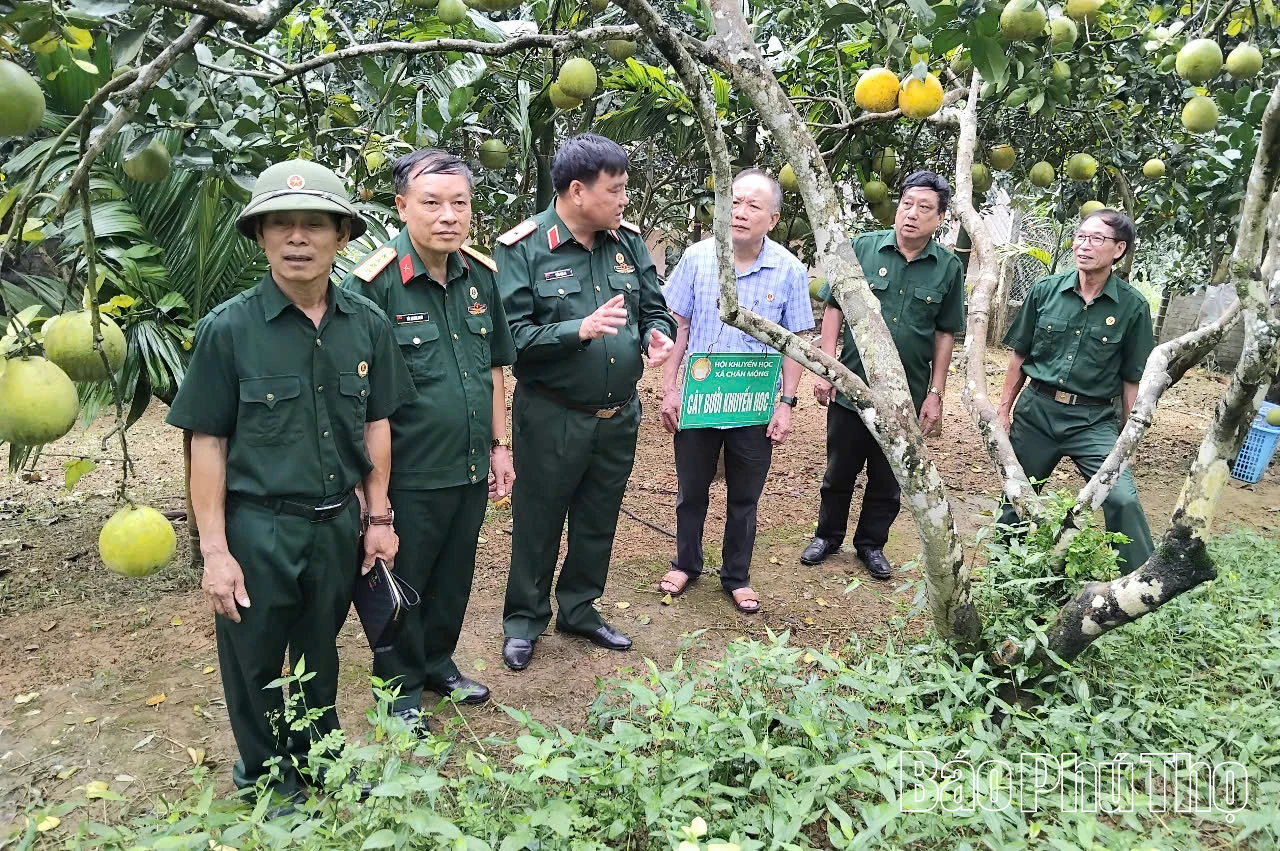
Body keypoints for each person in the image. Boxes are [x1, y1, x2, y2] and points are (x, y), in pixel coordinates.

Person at [165, 160, 414, 804]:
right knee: (253, 659)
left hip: (336, 525)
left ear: (341, 235)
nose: (297, 238)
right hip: (259, 528)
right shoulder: (228, 330)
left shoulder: (367, 325)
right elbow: (208, 444)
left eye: (314, 225)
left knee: (318, 653)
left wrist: (379, 517)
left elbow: (377, 424)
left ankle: (320, 759)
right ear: (260, 235)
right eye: (281, 224)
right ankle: (266, 778)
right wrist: (215, 551)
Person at [342, 149, 517, 730]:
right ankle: (398, 689)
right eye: (432, 203)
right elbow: (357, 398)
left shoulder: (480, 277)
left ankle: (438, 663)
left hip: (467, 465)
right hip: (408, 474)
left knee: (453, 577)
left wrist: (499, 446)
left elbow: (494, 369)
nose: (448, 216)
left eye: (459, 203)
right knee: (403, 583)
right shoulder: (374, 286)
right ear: (401, 207)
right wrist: (371, 495)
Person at [495, 133, 676, 672]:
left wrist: (657, 335)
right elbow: (511, 338)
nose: (624, 199)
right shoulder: (524, 248)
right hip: (552, 414)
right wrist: (578, 329)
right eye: (614, 189)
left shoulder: (628, 243)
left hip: (617, 415)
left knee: (598, 518)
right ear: (577, 191)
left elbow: (654, 308)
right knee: (539, 520)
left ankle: (579, 609)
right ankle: (524, 620)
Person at [656, 169, 814, 613]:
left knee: (745, 497)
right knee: (691, 491)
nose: (740, 213)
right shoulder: (697, 258)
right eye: (734, 202)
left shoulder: (789, 270)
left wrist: (786, 404)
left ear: (773, 219)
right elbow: (678, 326)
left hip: (753, 405)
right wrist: (669, 388)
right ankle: (686, 563)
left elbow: (794, 344)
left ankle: (737, 576)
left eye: (753, 206)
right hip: (700, 401)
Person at [800, 171, 966, 579]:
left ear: (940, 217)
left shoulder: (948, 267)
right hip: (852, 386)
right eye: (907, 204)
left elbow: (945, 333)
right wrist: (827, 368)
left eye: (924, 208)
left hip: (905, 395)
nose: (911, 214)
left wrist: (935, 394)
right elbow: (834, 307)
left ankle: (871, 545)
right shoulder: (863, 248)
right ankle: (827, 536)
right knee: (839, 470)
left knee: (889, 477)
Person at [996, 209, 1155, 572]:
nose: (1084, 245)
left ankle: (1144, 583)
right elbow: (1019, 355)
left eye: (1096, 239)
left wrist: (1128, 439)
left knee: (1122, 498)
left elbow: (1132, 379)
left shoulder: (1133, 307)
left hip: (1093, 420)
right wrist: (1003, 411)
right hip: (1037, 413)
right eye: (1080, 237)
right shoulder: (1045, 291)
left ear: (1118, 249)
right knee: (1016, 499)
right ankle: (1002, 575)